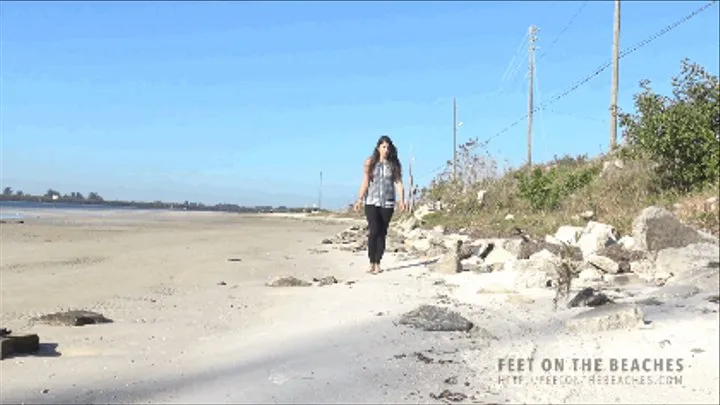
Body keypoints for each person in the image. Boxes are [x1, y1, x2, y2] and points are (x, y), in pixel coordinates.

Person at [353, 135, 406, 274]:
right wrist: (359, 199)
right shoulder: (370, 162)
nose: (386, 150)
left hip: (388, 203)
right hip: (371, 201)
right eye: (383, 147)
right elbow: (365, 181)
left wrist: (402, 200)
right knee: (374, 231)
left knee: (382, 233)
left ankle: (378, 262)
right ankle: (371, 261)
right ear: (378, 148)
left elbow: (399, 183)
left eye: (388, 147)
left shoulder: (394, 164)